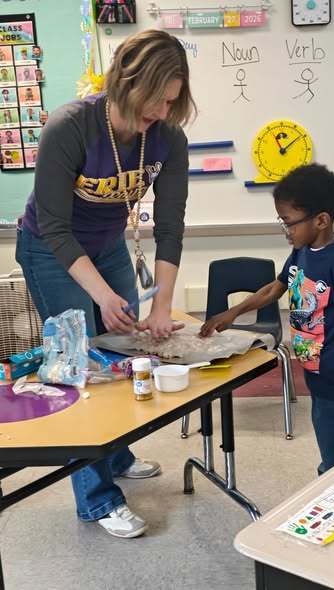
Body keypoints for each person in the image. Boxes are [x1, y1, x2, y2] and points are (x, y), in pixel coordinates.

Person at [16, 30, 196, 538]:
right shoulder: (71, 127)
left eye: (173, 101)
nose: (163, 111)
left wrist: (161, 305)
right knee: (76, 365)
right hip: (51, 249)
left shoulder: (168, 138)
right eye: (159, 99)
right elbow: (53, 225)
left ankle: (115, 455)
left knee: (119, 351)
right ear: (129, 83)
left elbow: (170, 225)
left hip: (109, 245)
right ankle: (96, 499)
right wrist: (101, 294)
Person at [200, 164, 334, 475]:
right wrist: (233, 312)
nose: (286, 231)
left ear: (321, 220)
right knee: (333, 432)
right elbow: (275, 287)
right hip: (315, 368)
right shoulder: (303, 250)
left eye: (289, 223)